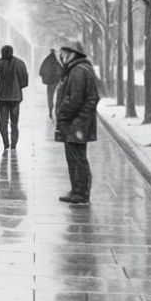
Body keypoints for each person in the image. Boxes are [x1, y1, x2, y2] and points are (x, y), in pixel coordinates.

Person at [55, 39, 100, 203]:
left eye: (65, 53)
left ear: (72, 54)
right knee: (73, 157)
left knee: (78, 158)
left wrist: (67, 118)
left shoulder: (78, 71)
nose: (62, 56)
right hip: (76, 122)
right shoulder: (77, 69)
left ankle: (81, 193)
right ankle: (77, 190)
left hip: (76, 123)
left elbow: (75, 99)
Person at [0, 43, 28, 149]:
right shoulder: (20, 63)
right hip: (16, 97)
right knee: (15, 122)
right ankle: (14, 144)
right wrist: (18, 86)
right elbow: (24, 82)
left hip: (2, 97)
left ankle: (5, 143)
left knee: (3, 121)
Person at [40, 46, 64, 118]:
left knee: (50, 97)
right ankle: (57, 111)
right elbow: (62, 70)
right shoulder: (56, 61)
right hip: (56, 81)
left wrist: (45, 77)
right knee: (58, 96)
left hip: (50, 82)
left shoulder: (46, 60)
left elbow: (41, 71)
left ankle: (50, 110)